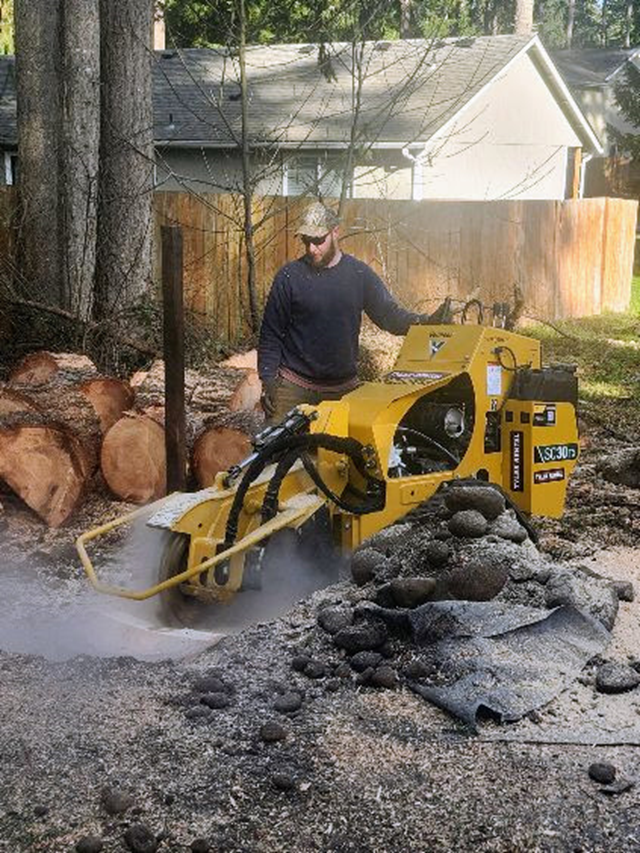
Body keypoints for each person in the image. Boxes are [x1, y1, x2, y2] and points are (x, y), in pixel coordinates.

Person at [258, 201, 451, 423]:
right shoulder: (289, 277)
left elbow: (389, 316)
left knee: (344, 455)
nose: (312, 249)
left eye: (318, 240)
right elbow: (271, 334)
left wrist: (427, 323)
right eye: (306, 241)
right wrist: (268, 380)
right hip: (294, 387)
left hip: (343, 389)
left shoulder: (359, 275)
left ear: (335, 232)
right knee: (276, 452)